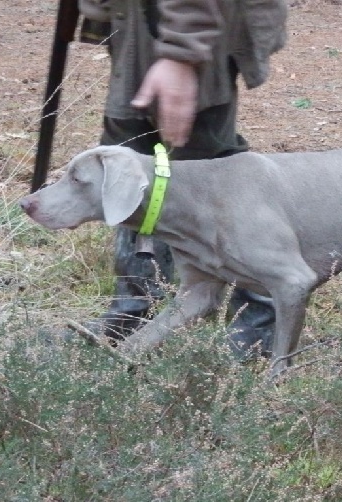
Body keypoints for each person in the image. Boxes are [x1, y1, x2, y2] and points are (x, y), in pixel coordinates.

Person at [77, 0, 288, 357]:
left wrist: (182, 51)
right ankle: (133, 311)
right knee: (130, 151)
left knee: (209, 166)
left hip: (196, 22)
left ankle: (258, 323)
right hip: (142, 18)